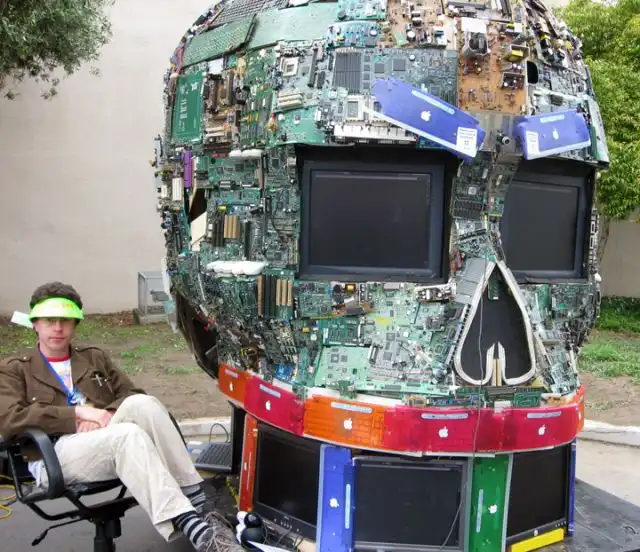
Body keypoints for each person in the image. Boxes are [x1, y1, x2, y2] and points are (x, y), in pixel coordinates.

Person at [0, 282, 216, 551]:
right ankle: (191, 525)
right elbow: (10, 420)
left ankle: (197, 498)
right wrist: (77, 414)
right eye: (49, 321)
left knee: (143, 403)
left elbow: (131, 393)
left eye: (65, 321)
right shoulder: (14, 369)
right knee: (126, 435)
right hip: (55, 453)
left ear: (75, 324)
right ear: (35, 324)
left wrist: (106, 415)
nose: (57, 328)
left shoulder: (93, 358)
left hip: (105, 434)